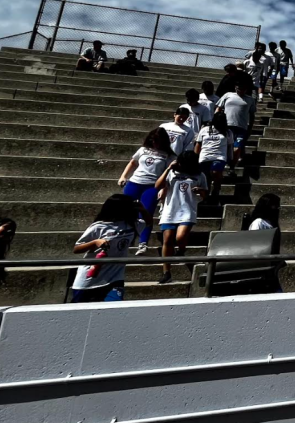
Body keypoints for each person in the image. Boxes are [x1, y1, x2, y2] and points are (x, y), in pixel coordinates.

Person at [70, 195, 144, 303]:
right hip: (89, 280)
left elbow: (148, 222)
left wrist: (142, 209)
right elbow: (77, 249)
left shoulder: (132, 225)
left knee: (114, 308)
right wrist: (95, 242)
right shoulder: (98, 227)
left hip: (115, 278)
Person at [117, 127, 174, 255]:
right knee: (125, 210)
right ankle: (123, 238)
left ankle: (143, 244)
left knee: (146, 213)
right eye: (153, 140)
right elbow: (133, 162)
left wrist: (164, 189)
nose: (155, 143)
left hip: (152, 186)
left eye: (157, 140)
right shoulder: (143, 149)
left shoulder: (169, 155)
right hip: (134, 182)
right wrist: (123, 176)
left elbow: (169, 174)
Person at [154, 151, 208, 283]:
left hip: (187, 210)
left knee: (180, 237)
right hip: (170, 210)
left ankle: (182, 249)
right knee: (167, 240)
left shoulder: (200, 175)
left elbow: (205, 195)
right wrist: (168, 169)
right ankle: (166, 272)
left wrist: (200, 191)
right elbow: (157, 186)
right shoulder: (172, 173)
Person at [194, 110, 231, 199]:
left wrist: (230, 159)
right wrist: (195, 157)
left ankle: (216, 189)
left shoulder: (228, 132)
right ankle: (206, 196)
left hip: (219, 157)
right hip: (205, 157)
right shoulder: (204, 130)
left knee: (215, 172)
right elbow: (198, 144)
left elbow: (230, 146)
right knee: (206, 178)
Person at [215, 81, 252, 168]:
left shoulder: (250, 99)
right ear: (235, 87)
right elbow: (219, 108)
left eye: (243, 89)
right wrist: (215, 121)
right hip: (227, 126)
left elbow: (252, 114)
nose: (241, 91)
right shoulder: (228, 95)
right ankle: (226, 164)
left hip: (241, 127)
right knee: (227, 147)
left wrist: (250, 127)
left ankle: (232, 167)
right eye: (239, 88)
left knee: (237, 148)